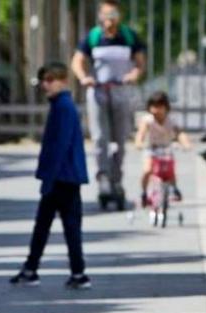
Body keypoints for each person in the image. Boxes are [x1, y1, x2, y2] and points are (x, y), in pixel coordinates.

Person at [9, 63, 91, 290]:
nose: (46, 85)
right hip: (64, 175)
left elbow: (60, 145)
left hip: (62, 177)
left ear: (63, 81)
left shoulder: (63, 107)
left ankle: (70, 272)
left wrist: (49, 178)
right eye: (43, 80)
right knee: (52, 225)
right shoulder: (61, 105)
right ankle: (40, 268)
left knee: (57, 225)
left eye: (50, 80)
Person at [71, 0, 145, 201]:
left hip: (121, 91)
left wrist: (133, 74)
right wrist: (84, 78)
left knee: (120, 139)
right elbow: (77, 61)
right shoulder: (94, 36)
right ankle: (103, 176)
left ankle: (117, 178)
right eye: (106, 15)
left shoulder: (128, 36)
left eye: (113, 15)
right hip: (98, 92)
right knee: (100, 138)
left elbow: (139, 63)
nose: (109, 20)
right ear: (100, 16)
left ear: (118, 16)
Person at [134, 91, 192, 207]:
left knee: (170, 171)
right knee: (148, 170)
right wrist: (139, 143)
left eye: (160, 107)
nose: (157, 110)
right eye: (154, 106)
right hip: (151, 149)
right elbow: (141, 133)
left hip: (166, 149)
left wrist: (186, 144)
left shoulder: (171, 120)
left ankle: (174, 188)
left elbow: (179, 133)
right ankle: (144, 192)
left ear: (166, 107)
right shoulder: (148, 120)